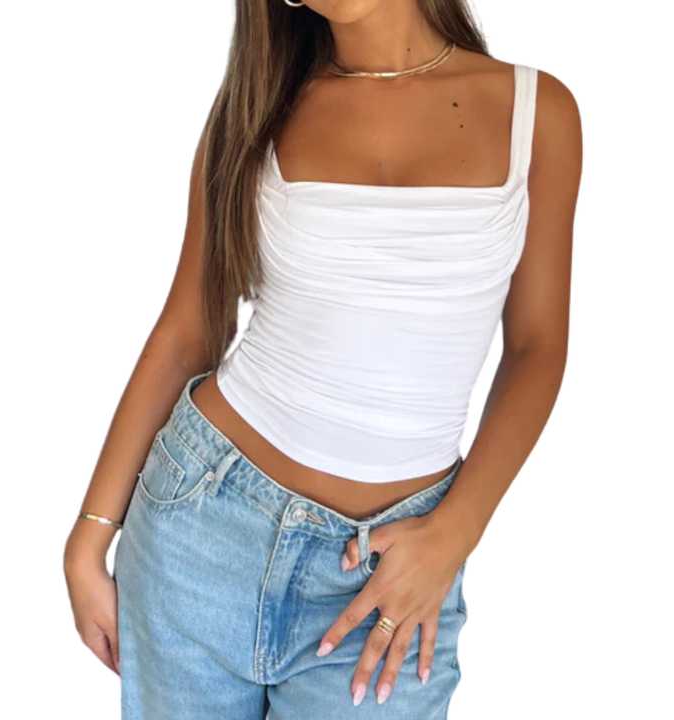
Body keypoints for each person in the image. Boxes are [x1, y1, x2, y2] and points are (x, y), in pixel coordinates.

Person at [63, 0, 582, 717]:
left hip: (391, 569)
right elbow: (189, 329)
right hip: (202, 531)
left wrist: (456, 530)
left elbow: (536, 348)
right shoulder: (257, 113)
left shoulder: (537, 112)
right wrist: (90, 535)